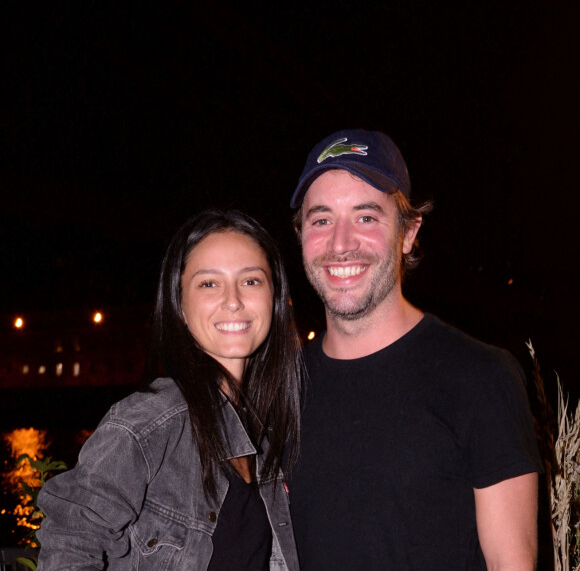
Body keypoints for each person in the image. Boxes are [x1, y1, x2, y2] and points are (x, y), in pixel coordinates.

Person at [288, 129, 543, 570]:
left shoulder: (481, 377)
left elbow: (512, 563)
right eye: (321, 219)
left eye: (366, 217)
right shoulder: (279, 387)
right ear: (301, 235)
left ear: (408, 233)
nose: (341, 243)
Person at [37, 209, 302, 570]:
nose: (233, 300)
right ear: (179, 304)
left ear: (274, 298)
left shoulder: (266, 435)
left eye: (251, 281)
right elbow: (70, 538)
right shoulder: (151, 421)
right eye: (209, 283)